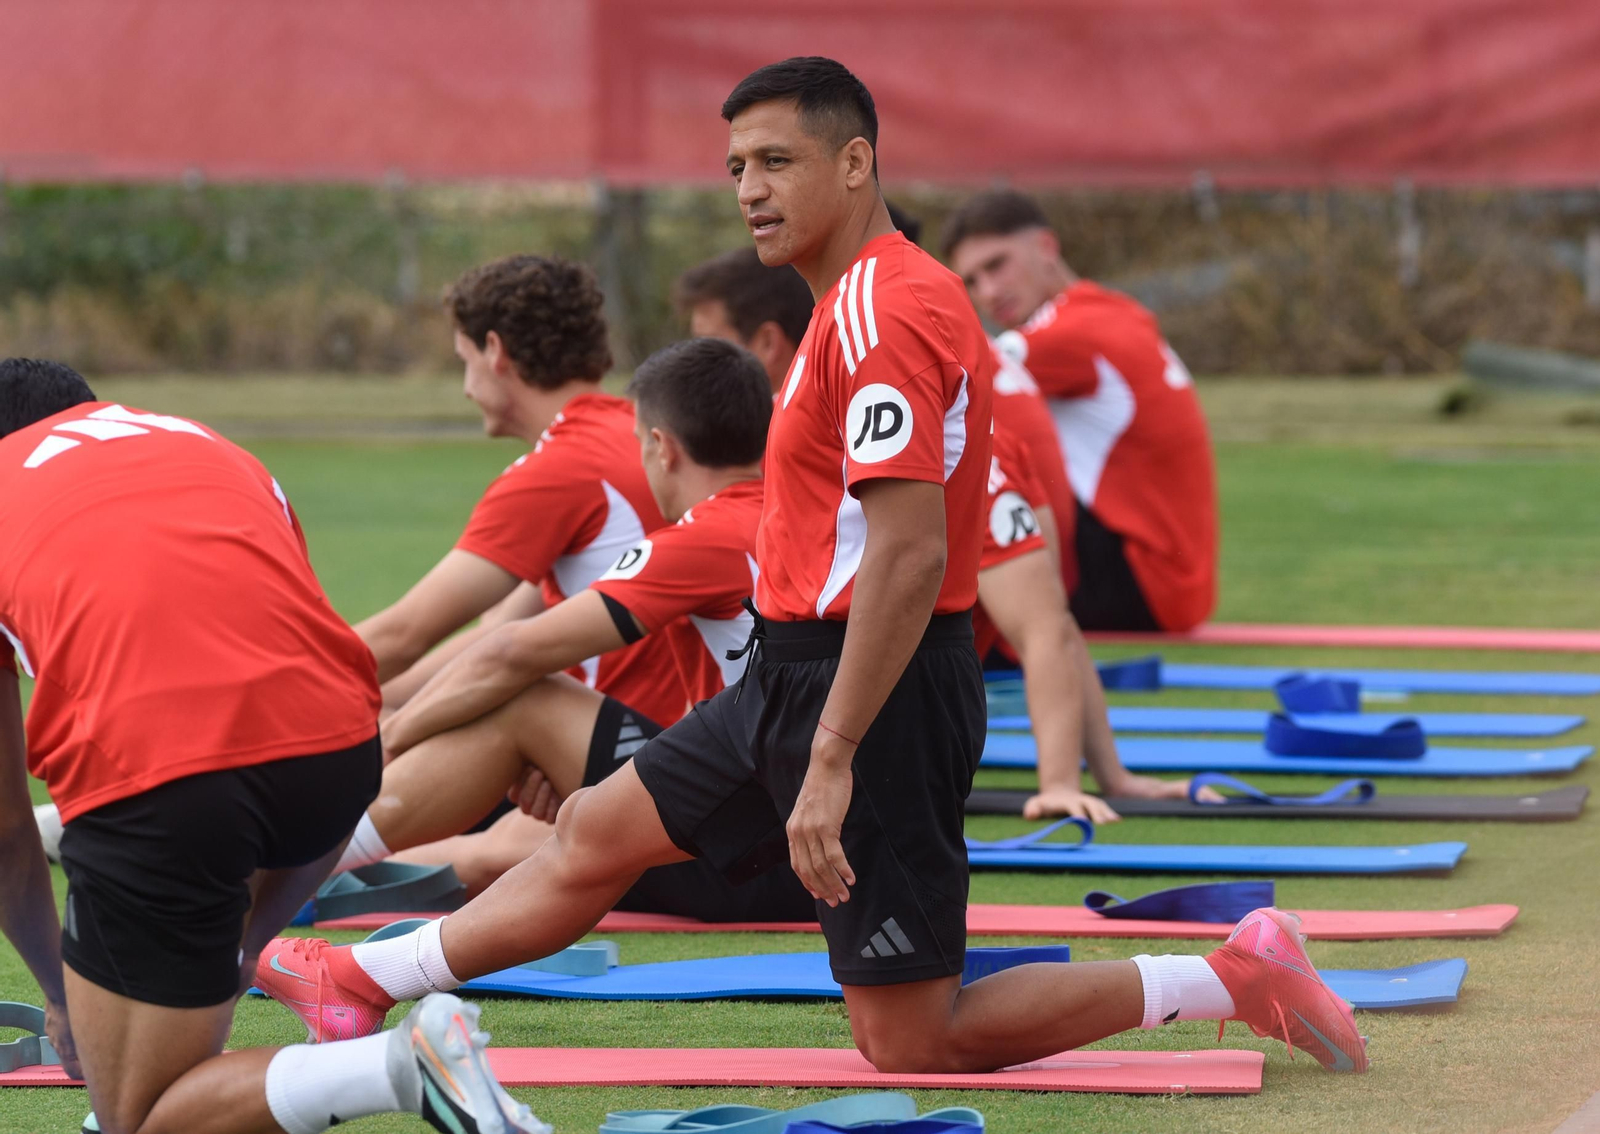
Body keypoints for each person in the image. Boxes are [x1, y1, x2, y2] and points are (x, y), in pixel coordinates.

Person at [254, 57, 1366, 1077]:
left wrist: (830, 753)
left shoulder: (888, 306)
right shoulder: (844, 302)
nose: (749, 189)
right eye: (736, 166)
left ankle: (1228, 975)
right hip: (793, 678)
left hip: (866, 695)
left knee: (912, 1037)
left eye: (777, 161)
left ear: (855, 161)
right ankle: (351, 980)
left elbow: (911, 549)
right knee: (590, 831)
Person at [0, 359, 545, 1134]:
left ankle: (399, 1065)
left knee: (137, 1115)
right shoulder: (205, 443)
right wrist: (246, 944)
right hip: (344, 753)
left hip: (164, 775)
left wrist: (59, 991)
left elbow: (5, 831)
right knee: (187, 1007)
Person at [676, 246, 1195, 823]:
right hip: (817, 691)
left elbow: (1048, 627)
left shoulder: (949, 454)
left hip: (861, 704)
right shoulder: (810, 412)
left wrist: (1061, 782)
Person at [326, 337, 811, 924]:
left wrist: (388, 742)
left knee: (527, 700)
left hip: (767, 854)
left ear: (661, 447)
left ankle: (297, 866)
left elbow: (506, 649)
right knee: (525, 824)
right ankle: (311, 861)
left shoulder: (701, 534)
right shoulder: (796, 514)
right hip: (809, 831)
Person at [358, 254, 685, 730]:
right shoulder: (630, 429)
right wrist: (384, 703)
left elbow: (405, 634)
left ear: (495, 351)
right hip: (689, 736)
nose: (467, 388)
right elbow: (499, 629)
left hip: (643, 754)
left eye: (463, 362)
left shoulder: (562, 467)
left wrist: (273, 689)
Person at [943, 190, 1219, 632]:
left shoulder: (1063, 334)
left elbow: (943, 370)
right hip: (1175, 581)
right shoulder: (1111, 310)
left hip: (1142, 582)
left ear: (1047, 247)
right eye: (972, 282)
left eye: (996, 265)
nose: (988, 292)